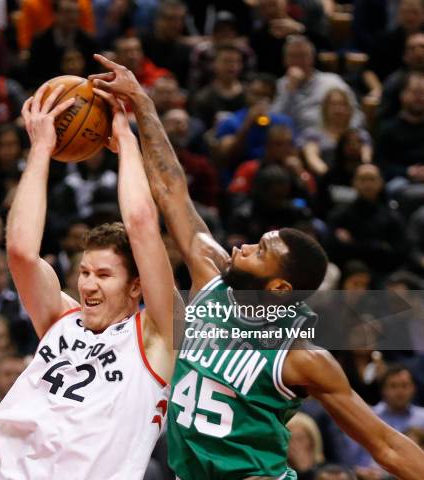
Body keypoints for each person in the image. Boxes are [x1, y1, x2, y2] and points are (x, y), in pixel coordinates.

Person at [90, 53, 424, 480]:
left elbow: (385, 443)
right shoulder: (213, 277)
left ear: (280, 288)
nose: (244, 247)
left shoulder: (301, 357)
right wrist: (144, 106)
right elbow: (172, 190)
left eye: (261, 251)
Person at [0, 82, 177, 478]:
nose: (88, 285)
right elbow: (20, 253)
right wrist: (42, 150)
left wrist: (123, 137)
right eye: (84, 272)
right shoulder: (61, 318)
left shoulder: (158, 335)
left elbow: (142, 224)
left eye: (103, 275)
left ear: (136, 286)